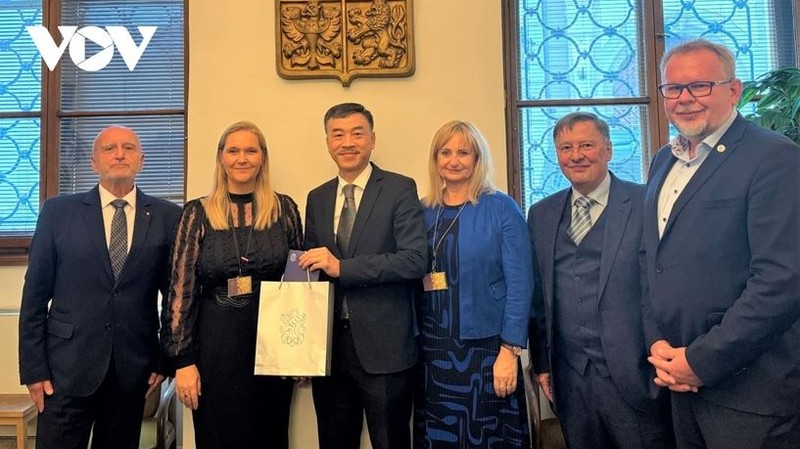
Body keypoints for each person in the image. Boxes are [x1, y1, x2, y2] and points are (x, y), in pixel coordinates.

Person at [644, 39, 800, 448]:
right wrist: (657, 345)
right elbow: (650, 261)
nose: (685, 99)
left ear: (734, 90)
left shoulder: (774, 157)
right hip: (677, 382)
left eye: (700, 86)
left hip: (750, 394)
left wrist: (700, 361)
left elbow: (781, 281)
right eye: (673, 89)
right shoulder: (663, 161)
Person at [18, 125, 181, 449]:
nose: (119, 154)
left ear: (142, 160)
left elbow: (176, 294)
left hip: (131, 371)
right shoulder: (58, 212)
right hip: (64, 370)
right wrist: (33, 369)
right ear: (93, 162)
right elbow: (35, 296)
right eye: (109, 148)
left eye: (128, 148)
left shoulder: (168, 216)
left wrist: (165, 360)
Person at [526, 112, 674, 449]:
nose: (576, 155)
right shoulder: (542, 213)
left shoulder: (646, 203)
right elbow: (539, 297)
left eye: (586, 145)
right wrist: (543, 365)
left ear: (608, 150)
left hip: (637, 375)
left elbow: (662, 286)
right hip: (571, 379)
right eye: (565, 147)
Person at [160, 121, 303, 448]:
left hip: (273, 352)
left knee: (271, 437)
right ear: (221, 158)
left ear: (262, 158)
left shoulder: (285, 209)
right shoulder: (197, 213)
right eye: (233, 150)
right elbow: (180, 290)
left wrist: (298, 353)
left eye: (251, 150)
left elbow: (298, 284)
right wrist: (182, 361)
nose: (242, 158)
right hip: (216, 352)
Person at [298, 102, 427, 449]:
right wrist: (298, 348)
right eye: (337, 135)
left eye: (357, 133)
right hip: (329, 352)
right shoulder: (318, 198)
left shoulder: (400, 189)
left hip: (385, 350)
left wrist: (344, 268)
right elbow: (310, 275)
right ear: (327, 142)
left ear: (372, 139)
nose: (347, 142)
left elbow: (415, 260)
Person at [414, 120, 533, 448]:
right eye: (446, 152)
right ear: (435, 159)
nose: (454, 160)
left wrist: (510, 350)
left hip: (487, 350)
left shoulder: (501, 207)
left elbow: (521, 284)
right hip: (434, 351)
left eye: (463, 152)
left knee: (488, 437)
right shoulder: (423, 211)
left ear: (478, 159)